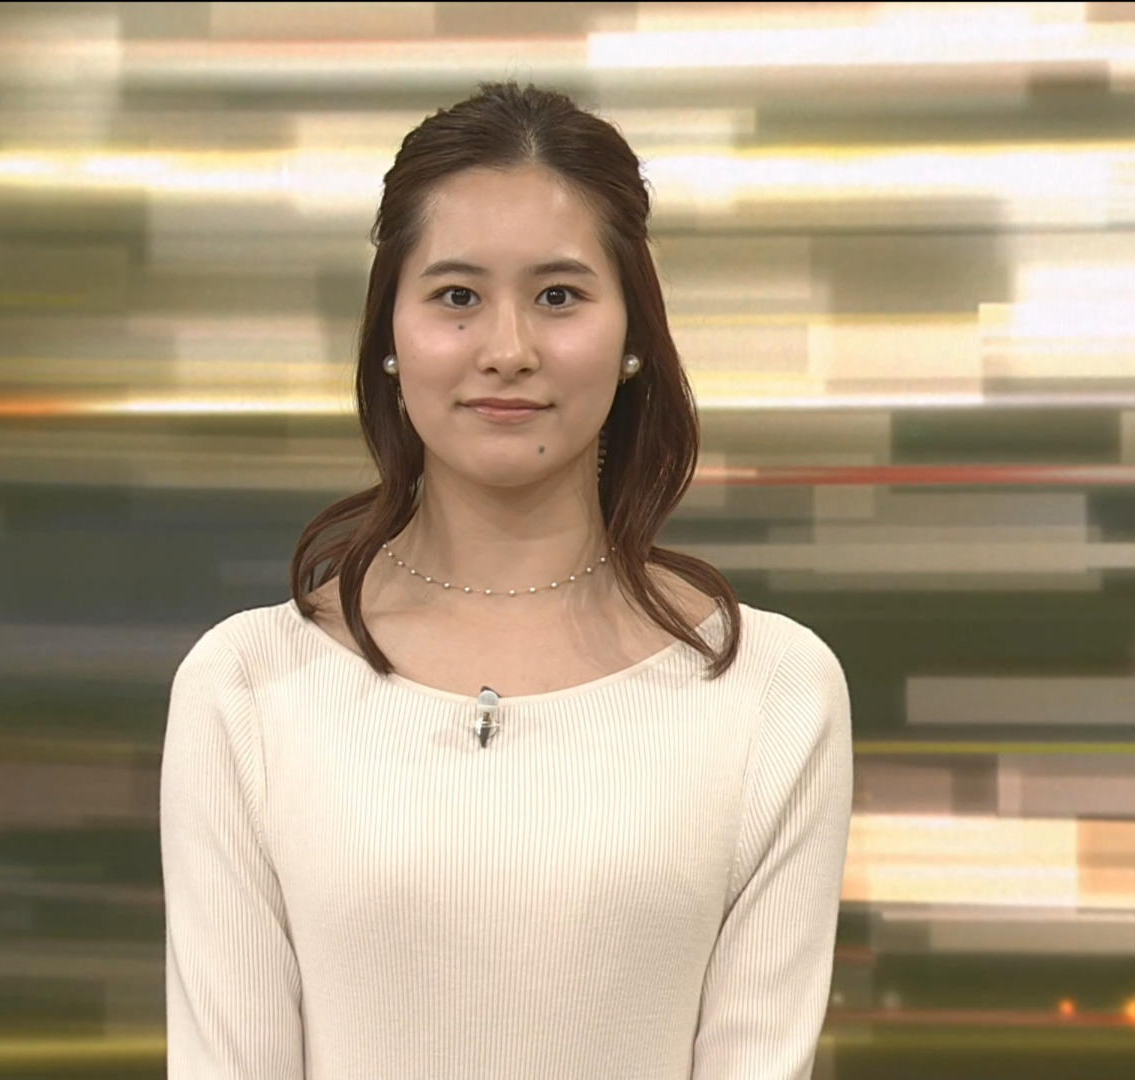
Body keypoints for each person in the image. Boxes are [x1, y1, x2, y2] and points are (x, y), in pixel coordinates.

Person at [161, 80, 853, 1079]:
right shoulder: (247, 686)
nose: (508, 351)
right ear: (389, 336)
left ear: (633, 339)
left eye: (559, 296)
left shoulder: (772, 690)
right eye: (457, 297)